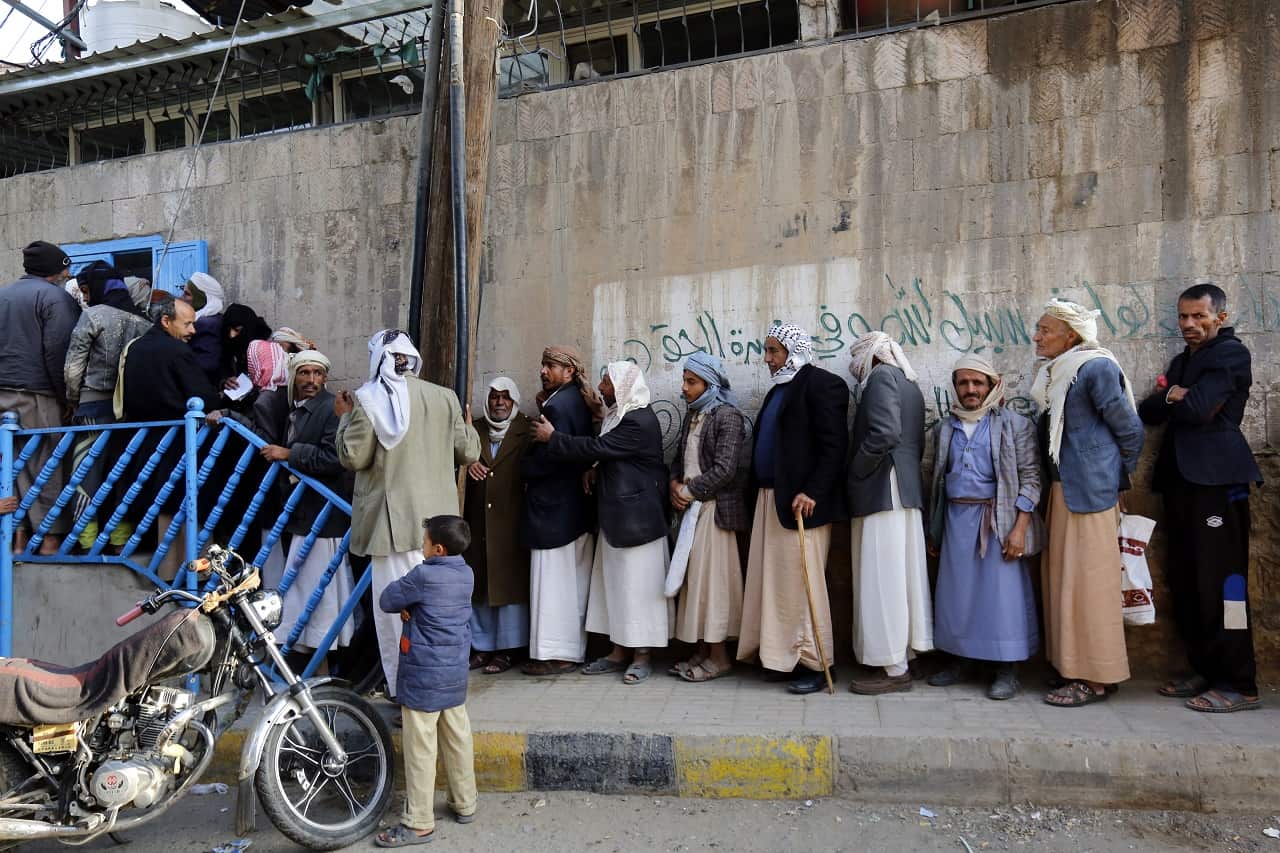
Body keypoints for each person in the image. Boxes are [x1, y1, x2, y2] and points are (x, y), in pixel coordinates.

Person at [1138, 284, 1264, 713]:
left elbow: (1199, 410)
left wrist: (1174, 394)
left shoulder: (1231, 355)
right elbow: (1148, 412)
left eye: (1199, 317)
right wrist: (1174, 395)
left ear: (1220, 317)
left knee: (1223, 585)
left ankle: (1239, 683)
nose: (1189, 325)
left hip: (1218, 484)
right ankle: (1207, 671)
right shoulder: (1184, 360)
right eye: (1183, 317)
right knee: (1189, 581)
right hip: (1181, 484)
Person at [336, 329, 480, 699]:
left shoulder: (370, 401)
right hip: (440, 531)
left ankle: (407, 694)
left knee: (395, 620)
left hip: (393, 527)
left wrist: (343, 419)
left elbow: (353, 457)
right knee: (440, 617)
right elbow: (468, 453)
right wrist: (468, 424)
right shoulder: (445, 397)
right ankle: (442, 690)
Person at [1032, 298, 1144, 708]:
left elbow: (1130, 430)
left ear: (1071, 335)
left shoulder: (1095, 368)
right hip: (1066, 492)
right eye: (1039, 328)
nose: (1037, 336)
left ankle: (1095, 678)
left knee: (1090, 588)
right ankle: (1074, 669)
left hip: (1091, 494)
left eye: (1046, 329)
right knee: (1067, 583)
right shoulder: (1058, 373)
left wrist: (1116, 479)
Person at [533, 361, 671, 685]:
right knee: (616, 588)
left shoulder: (638, 421)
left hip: (638, 523)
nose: (601, 388)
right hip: (618, 519)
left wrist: (554, 438)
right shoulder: (619, 417)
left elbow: (600, 446)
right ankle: (618, 652)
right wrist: (594, 467)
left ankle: (642, 656)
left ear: (622, 387)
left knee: (639, 590)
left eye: (607, 383)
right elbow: (607, 453)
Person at [737, 323, 848, 695]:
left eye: (774, 351)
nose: (768, 360)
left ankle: (816, 664)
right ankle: (783, 658)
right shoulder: (778, 392)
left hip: (802, 503)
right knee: (776, 586)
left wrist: (813, 490)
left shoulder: (821, 384)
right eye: (766, 352)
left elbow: (834, 446)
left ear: (793, 350)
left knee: (804, 585)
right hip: (771, 499)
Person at [926, 353, 1042, 700]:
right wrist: (934, 529)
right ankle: (959, 661)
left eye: (978, 382)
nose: (971, 389)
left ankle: (1007, 668)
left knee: (1001, 599)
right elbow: (934, 480)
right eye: (964, 382)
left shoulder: (1014, 425)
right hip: (956, 521)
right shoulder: (945, 428)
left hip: (999, 521)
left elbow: (1032, 478)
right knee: (957, 596)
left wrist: (1019, 528)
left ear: (993, 386)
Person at [374, 515, 478, 847]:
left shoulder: (423, 574)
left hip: (423, 675)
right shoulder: (466, 573)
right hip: (454, 672)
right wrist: (415, 608)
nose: (421, 548)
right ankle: (465, 803)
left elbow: (388, 599)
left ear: (438, 549)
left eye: (424, 543)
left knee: (421, 747)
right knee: (457, 735)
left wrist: (409, 606)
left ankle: (419, 822)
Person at [845, 331, 933, 695]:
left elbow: (883, 433)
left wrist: (856, 469)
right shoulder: (909, 383)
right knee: (902, 578)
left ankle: (893, 669)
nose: (855, 369)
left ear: (872, 357)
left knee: (883, 580)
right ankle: (903, 656)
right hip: (905, 488)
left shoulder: (881, 377)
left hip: (883, 488)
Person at [254, 349, 356, 662]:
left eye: (317, 374)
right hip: (303, 515)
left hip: (323, 518)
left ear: (325, 377)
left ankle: (321, 670)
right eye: (304, 373)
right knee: (304, 593)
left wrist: (289, 453)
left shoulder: (330, 408)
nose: (311, 380)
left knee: (320, 597)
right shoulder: (294, 410)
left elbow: (335, 459)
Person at [120, 297, 221, 579]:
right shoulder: (177, 351)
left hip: (149, 443)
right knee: (190, 508)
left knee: (166, 509)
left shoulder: (136, 349)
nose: (192, 331)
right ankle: (195, 577)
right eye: (187, 324)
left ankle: (168, 574)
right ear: (166, 322)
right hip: (181, 443)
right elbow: (202, 396)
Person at [667, 352, 750, 683]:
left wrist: (688, 491)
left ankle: (719, 658)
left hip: (714, 511)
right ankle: (702, 650)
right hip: (692, 509)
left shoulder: (726, 416)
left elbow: (726, 469)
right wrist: (674, 484)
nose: (685, 388)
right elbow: (677, 457)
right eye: (684, 381)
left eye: (692, 382)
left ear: (710, 384)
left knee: (712, 586)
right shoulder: (694, 415)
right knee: (695, 584)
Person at [520, 346, 602, 676]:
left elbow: (553, 457)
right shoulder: (575, 402)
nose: (543, 370)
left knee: (554, 584)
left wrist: (525, 468)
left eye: (551, 366)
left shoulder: (557, 406)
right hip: (572, 510)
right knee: (571, 583)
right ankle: (567, 652)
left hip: (554, 511)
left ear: (568, 372)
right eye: (543, 364)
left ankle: (556, 654)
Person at [63, 260, 151, 551]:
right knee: (120, 473)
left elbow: (73, 368)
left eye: (86, 290)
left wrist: (72, 401)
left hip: (91, 408)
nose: (85, 297)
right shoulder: (143, 322)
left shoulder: (93, 316)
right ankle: (119, 540)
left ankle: (86, 541)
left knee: (86, 473)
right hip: (126, 413)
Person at [0, 241, 80, 555]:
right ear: (56, 269)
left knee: (12, 465)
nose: (68, 273)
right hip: (37, 394)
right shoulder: (54, 298)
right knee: (48, 464)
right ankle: (49, 540)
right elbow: (59, 353)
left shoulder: (3, 295)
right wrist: (66, 398)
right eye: (65, 267)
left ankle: (17, 539)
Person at [463, 377, 533, 675]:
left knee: (508, 587)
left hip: (511, 519)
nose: (499, 403)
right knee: (480, 586)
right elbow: (457, 455)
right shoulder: (474, 430)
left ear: (515, 401)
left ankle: (508, 650)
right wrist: (468, 463)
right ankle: (482, 648)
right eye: (494, 397)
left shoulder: (526, 430)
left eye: (505, 397)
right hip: (478, 522)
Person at [181, 272, 225, 389]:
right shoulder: (215, 318)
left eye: (187, 294)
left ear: (201, 298)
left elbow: (207, 364)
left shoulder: (204, 324)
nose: (182, 298)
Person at [219, 302, 272, 383]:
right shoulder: (231, 339)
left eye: (237, 330)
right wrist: (226, 380)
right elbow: (225, 360)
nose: (232, 335)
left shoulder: (262, 347)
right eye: (229, 330)